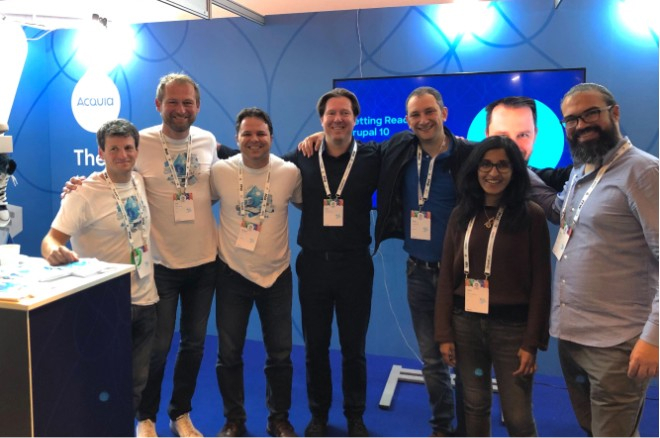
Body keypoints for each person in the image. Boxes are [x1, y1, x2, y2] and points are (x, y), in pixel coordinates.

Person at [536, 83, 659, 436]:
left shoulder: (644, 173)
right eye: (571, 119)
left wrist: (654, 338)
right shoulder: (582, 169)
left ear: (614, 113)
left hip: (618, 343)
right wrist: (518, 172)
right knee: (595, 429)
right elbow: (564, 215)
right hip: (573, 337)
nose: (581, 124)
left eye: (590, 113)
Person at [434, 135, 551, 437]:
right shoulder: (462, 214)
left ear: (515, 171)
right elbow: (447, 275)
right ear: (475, 169)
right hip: (465, 325)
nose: (493, 173)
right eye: (486, 164)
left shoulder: (531, 216)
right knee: (474, 408)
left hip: (512, 331)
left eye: (503, 165)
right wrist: (444, 333)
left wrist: (531, 342)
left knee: (517, 417)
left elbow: (541, 284)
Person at [41, 119, 159, 415]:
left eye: (128, 148)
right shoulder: (83, 193)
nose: (123, 155)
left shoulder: (139, 181)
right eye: (114, 149)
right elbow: (51, 239)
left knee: (135, 385)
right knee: (99, 384)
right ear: (101, 153)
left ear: (136, 150)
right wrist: (54, 252)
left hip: (146, 299)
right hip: (104, 304)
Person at [285, 88, 380, 437]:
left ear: (355, 118)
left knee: (354, 348)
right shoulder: (302, 155)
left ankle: (355, 415)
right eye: (330, 114)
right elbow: (263, 168)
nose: (338, 119)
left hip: (355, 266)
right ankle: (318, 415)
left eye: (344, 113)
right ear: (321, 119)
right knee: (316, 347)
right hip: (313, 266)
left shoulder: (372, 155)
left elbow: (413, 146)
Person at [211, 108, 302, 438]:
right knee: (229, 353)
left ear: (271, 137)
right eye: (247, 134)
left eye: (261, 133)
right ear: (237, 138)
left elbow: (309, 203)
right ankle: (234, 419)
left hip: (276, 275)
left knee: (280, 354)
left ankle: (278, 418)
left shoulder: (289, 172)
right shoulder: (219, 171)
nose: (254, 140)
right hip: (232, 274)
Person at [485, 96, 571, 191]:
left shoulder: (544, 181)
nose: (513, 145)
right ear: (487, 135)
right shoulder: (467, 177)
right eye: (502, 136)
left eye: (523, 135)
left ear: (535, 135)